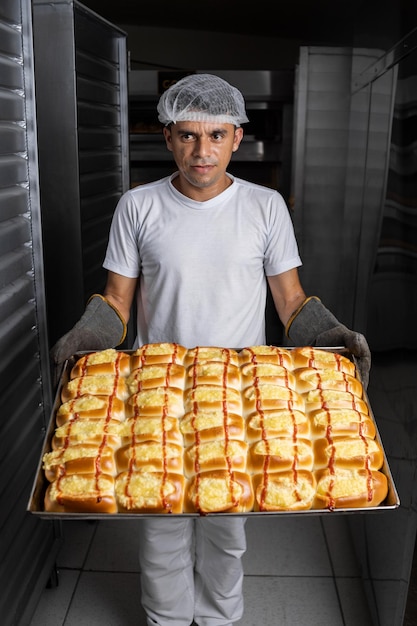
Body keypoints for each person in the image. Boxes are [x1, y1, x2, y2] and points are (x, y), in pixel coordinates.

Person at [51, 73, 371, 626]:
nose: (202, 152)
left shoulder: (265, 206)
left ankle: (221, 619)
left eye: (216, 136)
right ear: (168, 137)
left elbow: (289, 299)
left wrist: (331, 335)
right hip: (159, 393)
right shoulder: (138, 205)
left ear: (238, 138)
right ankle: (167, 620)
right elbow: (117, 300)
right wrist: (88, 335)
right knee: (161, 527)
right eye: (188, 136)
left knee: (227, 529)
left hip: (239, 397)